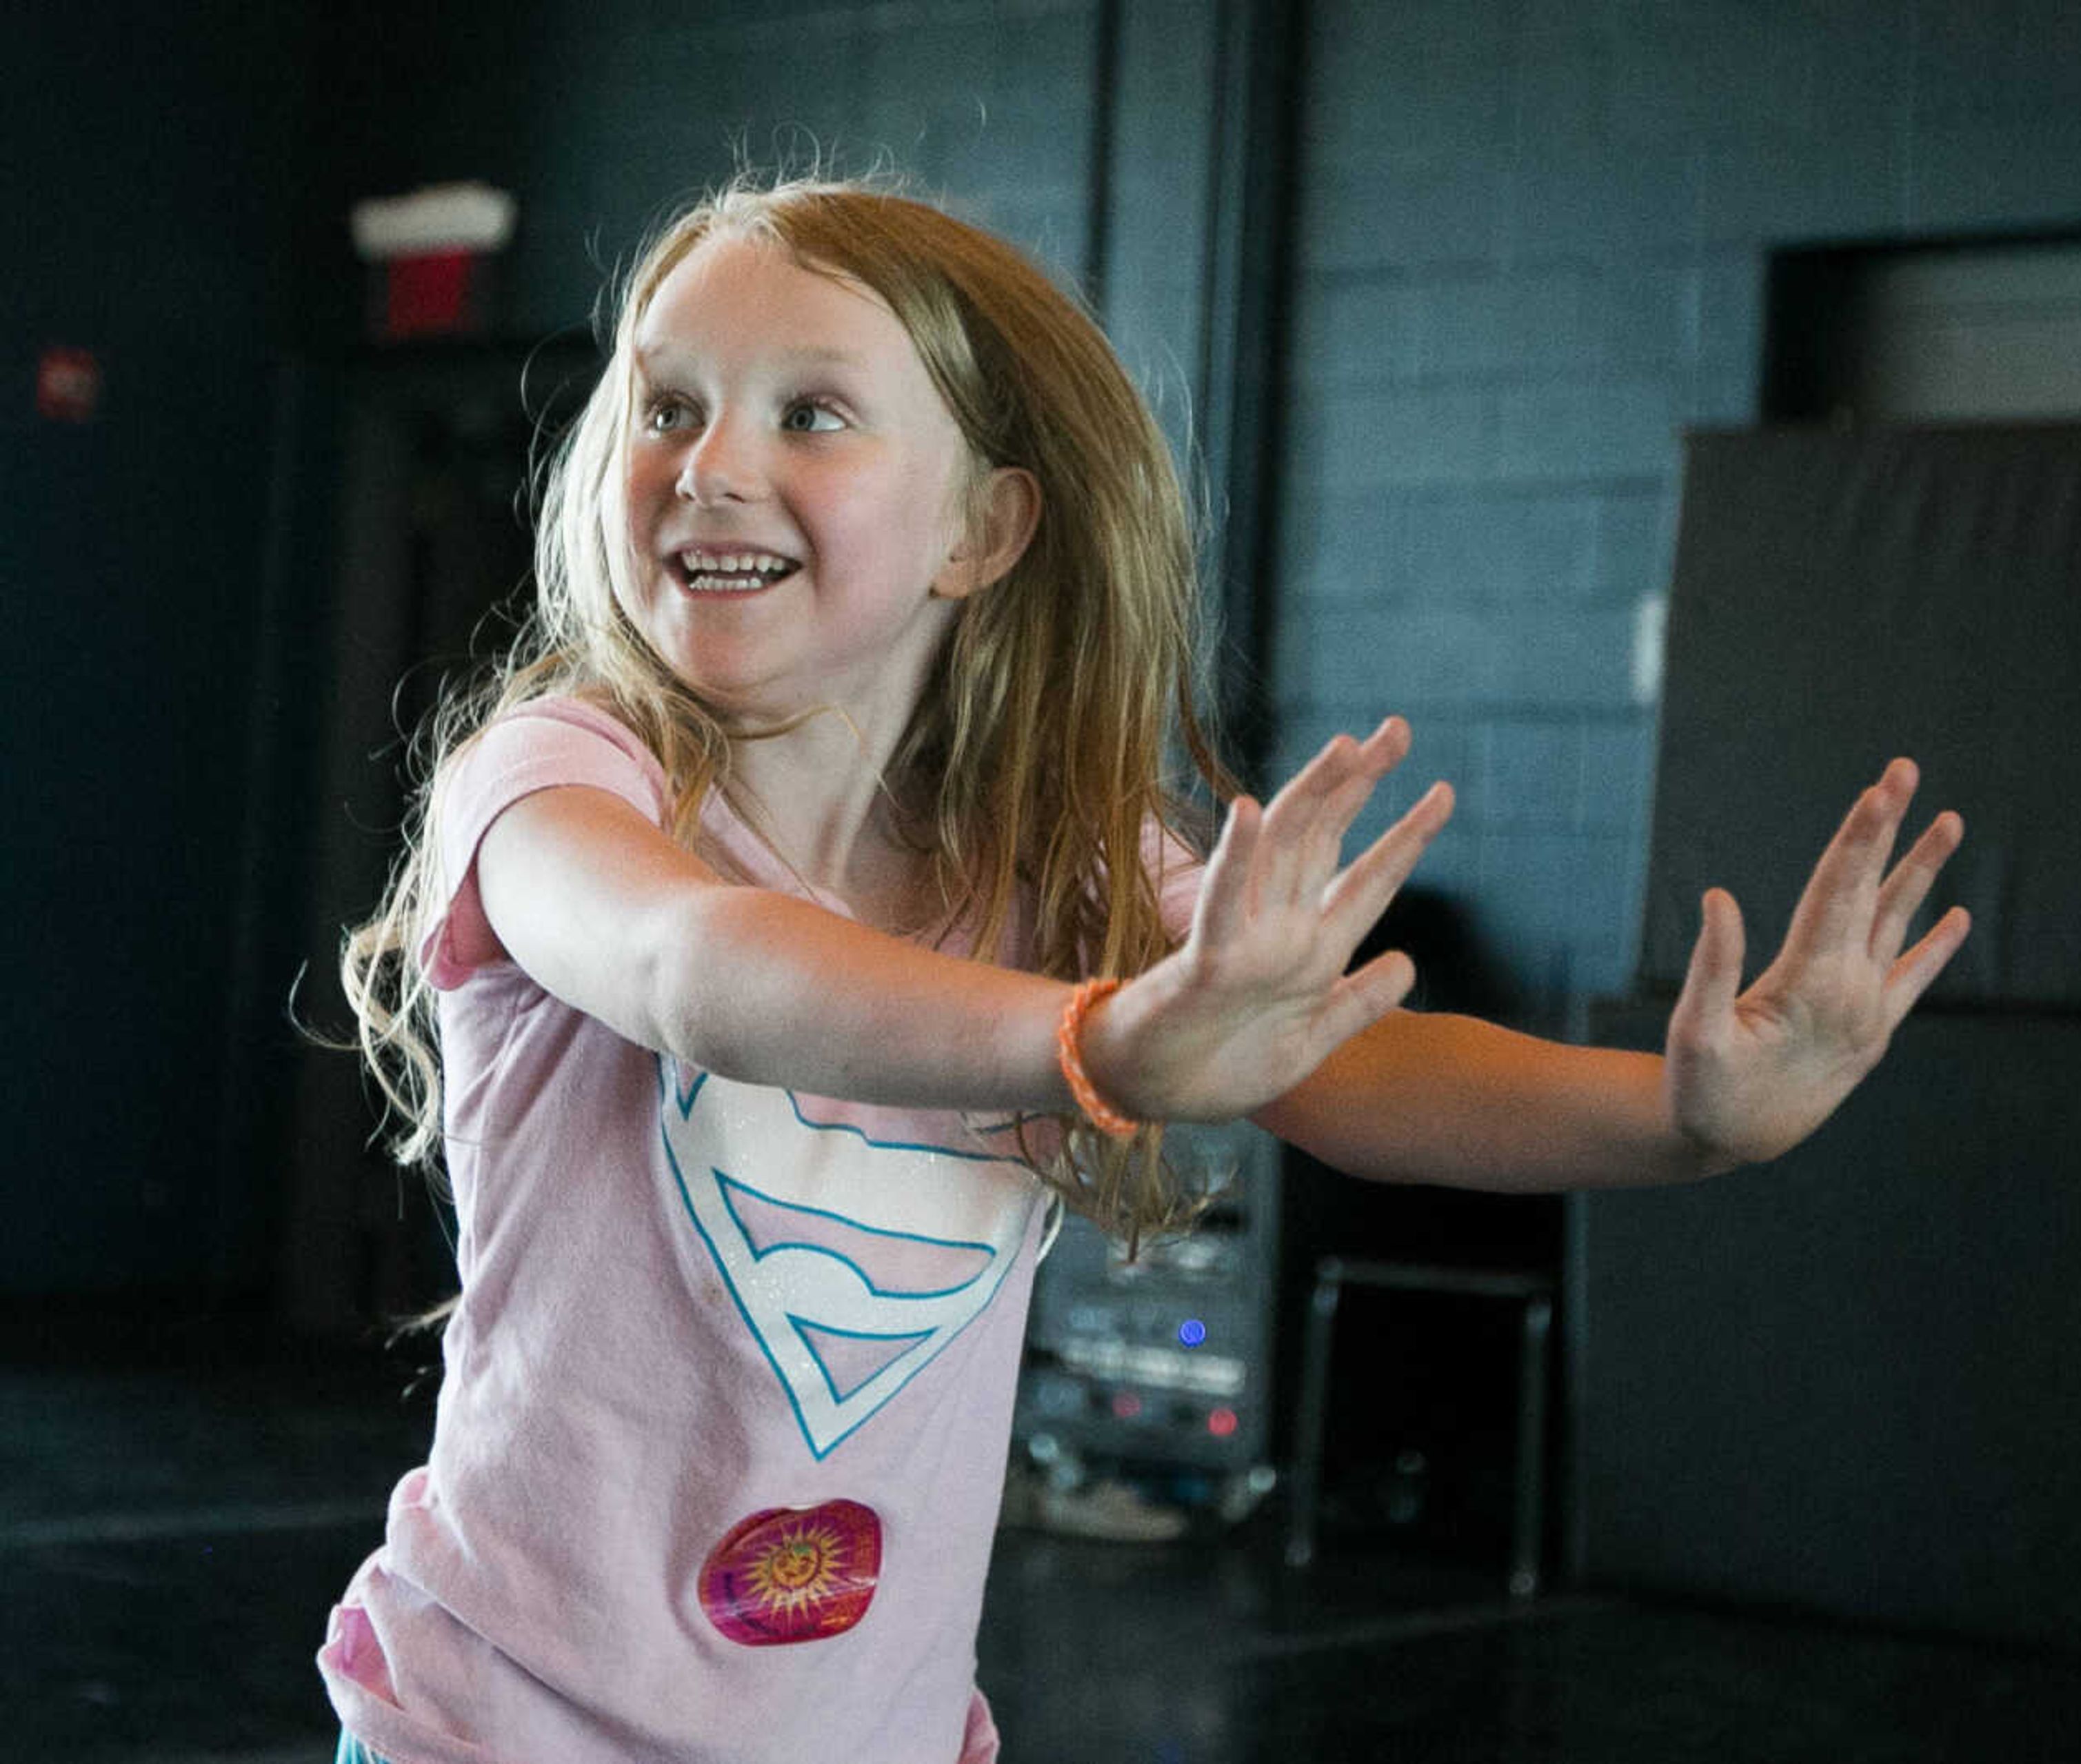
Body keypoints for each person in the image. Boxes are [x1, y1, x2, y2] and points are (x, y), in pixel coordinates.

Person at [317, 172, 1970, 1764]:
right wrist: (1099, 1039)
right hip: (502, 1731)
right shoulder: (558, 776)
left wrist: (1686, 1120)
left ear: (985, 527)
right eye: (668, 406)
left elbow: (1356, 1066)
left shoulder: (1062, 854)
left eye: (810, 415)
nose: (712, 464)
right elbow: (692, 966)